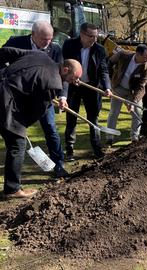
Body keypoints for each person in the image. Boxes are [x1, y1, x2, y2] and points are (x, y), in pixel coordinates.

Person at [0, 47, 82, 199]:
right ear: (65, 69)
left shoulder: (39, 55)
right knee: (18, 145)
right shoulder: (54, 83)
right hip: (6, 104)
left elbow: (5, 51)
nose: (74, 82)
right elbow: (37, 111)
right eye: (73, 78)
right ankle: (12, 190)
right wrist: (22, 125)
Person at [1, 21, 68, 178]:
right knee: (13, 133)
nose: (48, 43)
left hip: (44, 97)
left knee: (51, 128)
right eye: (44, 39)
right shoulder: (16, 42)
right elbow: (2, 55)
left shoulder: (56, 48)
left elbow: (63, 74)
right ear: (33, 35)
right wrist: (4, 75)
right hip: (16, 98)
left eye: (50, 39)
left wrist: (62, 95)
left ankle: (58, 164)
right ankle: (14, 166)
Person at [62, 22, 112, 160]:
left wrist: (107, 87)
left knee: (93, 119)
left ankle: (96, 148)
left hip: (92, 87)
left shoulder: (100, 50)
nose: (94, 39)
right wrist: (70, 79)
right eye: (91, 36)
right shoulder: (69, 45)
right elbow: (65, 66)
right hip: (73, 86)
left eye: (96, 36)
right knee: (71, 118)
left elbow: (103, 70)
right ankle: (70, 149)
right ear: (82, 35)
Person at [107, 44, 147, 143]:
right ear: (137, 54)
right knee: (114, 112)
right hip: (118, 88)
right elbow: (109, 63)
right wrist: (110, 79)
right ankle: (110, 136)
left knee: (137, 112)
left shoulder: (146, 67)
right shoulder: (123, 55)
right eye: (145, 58)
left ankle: (134, 137)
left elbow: (141, 86)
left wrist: (133, 101)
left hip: (134, 91)